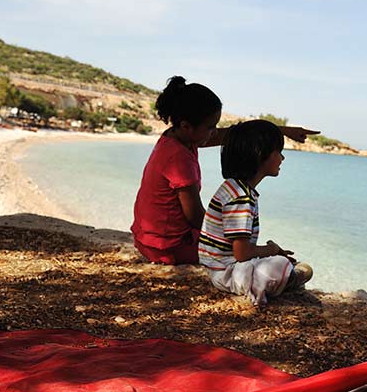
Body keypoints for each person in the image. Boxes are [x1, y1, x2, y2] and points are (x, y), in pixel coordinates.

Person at [131, 77, 317, 265]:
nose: (214, 132)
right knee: (242, 251)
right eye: (210, 127)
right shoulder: (179, 159)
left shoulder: (180, 139)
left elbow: (232, 134)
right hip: (168, 247)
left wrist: (282, 130)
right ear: (186, 126)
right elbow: (195, 216)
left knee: (239, 240)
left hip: (148, 237)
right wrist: (247, 244)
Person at [198, 119, 313, 306]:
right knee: (277, 266)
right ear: (260, 155)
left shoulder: (234, 188)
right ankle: (287, 278)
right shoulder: (241, 197)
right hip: (226, 273)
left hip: (220, 268)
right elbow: (242, 254)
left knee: (273, 262)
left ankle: (284, 274)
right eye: (279, 152)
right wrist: (272, 250)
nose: (282, 159)